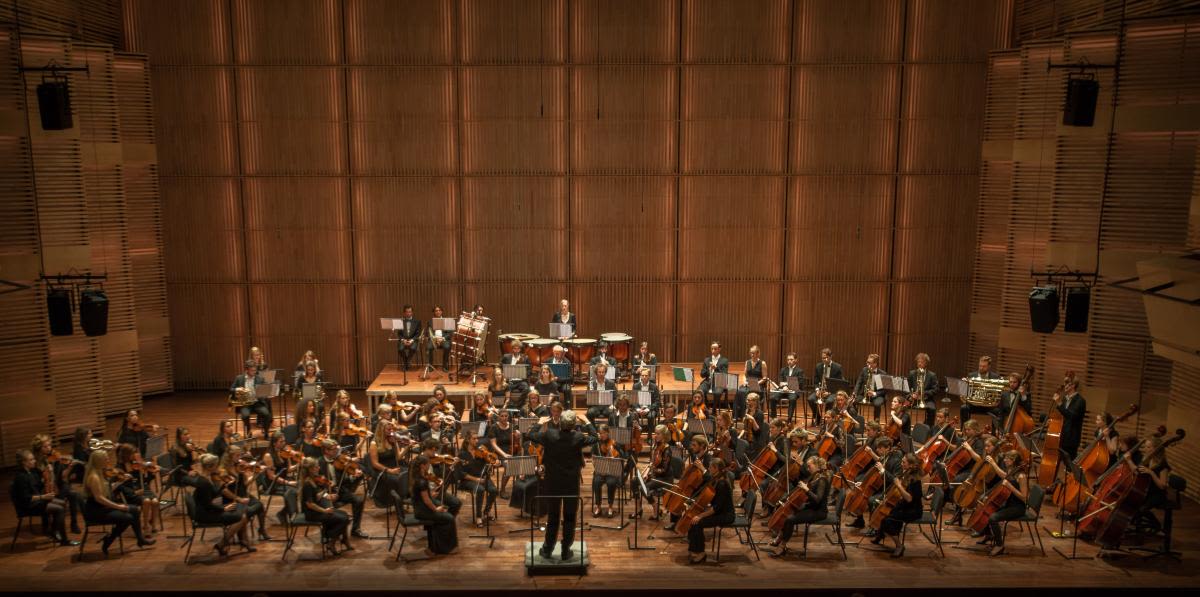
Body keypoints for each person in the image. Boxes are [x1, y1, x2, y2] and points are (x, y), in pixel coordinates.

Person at [526, 410, 597, 561]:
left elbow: (531, 435)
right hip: (571, 484)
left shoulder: (549, 434)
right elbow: (595, 437)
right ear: (574, 424)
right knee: (570, 518)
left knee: (553, 517)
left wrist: (539, 423)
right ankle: (565, 550)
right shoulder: (578, 437)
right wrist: (587, 421)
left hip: (553, 483)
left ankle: (547, 550)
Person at [81, 449, 154, 555]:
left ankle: (140, 539)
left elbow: (107, 490)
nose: (108, 460)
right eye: (106, 459)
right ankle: (109, 540)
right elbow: (99, 498)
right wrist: (118, 507)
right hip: (96, 511)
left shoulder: (100, 473)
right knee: (128, 518)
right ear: (99, 461)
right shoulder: (94, 477)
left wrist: (119, 482)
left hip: (103, 507)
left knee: (135, 510)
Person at [11, 448, 78, 546]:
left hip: (37, 501)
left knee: (62, 503)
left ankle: (53, 531)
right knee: (59, 509)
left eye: (33, 459)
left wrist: (50, 473)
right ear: (24, 462)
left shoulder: (32, 472)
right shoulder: (20, 477)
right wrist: (43, 497)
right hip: (28, 505)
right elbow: (26, 498)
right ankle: (64, 540)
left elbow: (40, 484)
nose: (34, 461)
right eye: (31, 459)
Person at [768, 455, 830, 557]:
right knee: (789, 513)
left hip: (819, 511)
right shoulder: (814, 476)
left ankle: (782, 546)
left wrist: (807, 490)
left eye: (809, 466)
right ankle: (780, 538)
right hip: (811, 507)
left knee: (790, 519)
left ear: (817, 466)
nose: (808, 468)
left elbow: (818, 499)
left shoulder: (822, 480)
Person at [194, 453, 251, 556]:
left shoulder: (208, 478)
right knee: (242, 517)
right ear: (210, 467)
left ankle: (242, 541)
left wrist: (225, 486)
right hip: (205, 514)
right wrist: (224, 508)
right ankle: (222, 544)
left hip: (211, 509)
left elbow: (216, 492)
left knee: (243, 510)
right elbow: (208, 505)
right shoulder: (204, 483)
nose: (218, 467)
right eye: (216, 465)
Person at [976, 450, 1029, 557]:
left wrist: (1010, 487)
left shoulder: (1021, 476)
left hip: (1017, 507)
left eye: (1006, 459)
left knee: (993, 518)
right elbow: (1003, 475)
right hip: (1009, 504)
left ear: (1013, 460)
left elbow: (1024, 498)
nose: (1004, 460)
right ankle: (989, 535)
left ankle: (999, 545)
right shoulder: (1012, 470)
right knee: (986, 509)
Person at [872, 452, 923, 557]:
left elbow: (909, 499)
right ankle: (880, 536)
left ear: (911, 465)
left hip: (913, 511)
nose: (901, 463)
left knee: (887, 520)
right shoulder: (907, 473)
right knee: (885, 513)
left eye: (904, 462)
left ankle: (899, 546)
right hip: (904, 506)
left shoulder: (915, 481)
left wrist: (899, 486)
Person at [298, 456, 352, 556]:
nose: (319, 468)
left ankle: (339, 539)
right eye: (316, 467)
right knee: (344, 519)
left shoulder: (313, 480)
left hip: (317, 510)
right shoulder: (307, 484)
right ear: (310, 469)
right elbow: (310, 504)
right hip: (312, 513)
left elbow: (318, 495)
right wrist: (325, 511)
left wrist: (328, 495)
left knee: (345, 515)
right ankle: (331, 541)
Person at [685, 457, 734, 564]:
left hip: (726, 515)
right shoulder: (716, 480)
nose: (708, 469)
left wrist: (701, 515)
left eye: (710, 467)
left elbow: (716, 508)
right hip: (719, 512)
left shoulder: (722, 484)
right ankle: (694, 549)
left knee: (697, 522)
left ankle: (701, 553)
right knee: (694, 519)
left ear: (715, 468)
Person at [409, 455, 459, 556]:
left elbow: (424, 496)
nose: (429, 465)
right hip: (423, 511)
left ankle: (437, 546)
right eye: (428, 464)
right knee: (449, 518)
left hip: (420, 507)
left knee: (444, 511)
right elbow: (427, 501)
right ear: (423, 466)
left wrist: (431, 495)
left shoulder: (417, 477)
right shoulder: (422, 481)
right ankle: (446, 548)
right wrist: (436, 509)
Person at [218, 445, 269, 541]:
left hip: (243, 494)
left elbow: (245, 483)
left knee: (260, 505)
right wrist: (239, 499)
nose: (239, 458)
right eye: (237, 456)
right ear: (230, 456)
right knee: (247, 511)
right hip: (232, 498)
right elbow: (224, 490)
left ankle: (262, 529)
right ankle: (242, 536)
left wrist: (256, 474)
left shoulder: (239, 466)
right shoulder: (222, 470)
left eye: (240, 455)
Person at [457, 429, 499, 527]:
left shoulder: (481, 450)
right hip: (468, 480)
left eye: (477, 439)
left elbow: (490, 460)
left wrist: (495, 462)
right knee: (480, 490)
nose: (477, 441)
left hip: (482, 478)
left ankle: (486, 512)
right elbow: (461, 473)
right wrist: (476, 479)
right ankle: (478, 517)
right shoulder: (462, 454)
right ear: (468, 440)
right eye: (474, 439)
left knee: (494, 490)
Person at [230, 359, 271, 438]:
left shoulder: (259, 378)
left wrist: (267, 393)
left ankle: (266, 433)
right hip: (245, 404)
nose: (254, 372)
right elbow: (231, 389)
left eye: (255, 370)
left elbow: (265, 389)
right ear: (246, 370)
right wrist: (237, 389)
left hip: (257, 403)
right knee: (245, 415)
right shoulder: (239, 378)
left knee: (267, 414)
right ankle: (248, 431)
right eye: (252, 370)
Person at [960, 356, 1003, 425]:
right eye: (980, 366)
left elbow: (999, 394)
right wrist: (963, 385)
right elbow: (965, 392)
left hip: (989, 406)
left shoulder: (995, 377)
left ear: (989, 366)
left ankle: (994, 433)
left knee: (998, 411)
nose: (981, 368)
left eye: (984, 366)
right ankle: (964, 430)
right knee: (964, 408)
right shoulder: (971, 375)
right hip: (974, 405)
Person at [807, 348, 844, 424]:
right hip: (821, 390)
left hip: (832, 391)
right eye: (823, 358)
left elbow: (839, 384)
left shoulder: (838, 367)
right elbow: (816, 381)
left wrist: (829, 392)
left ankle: (827, 419)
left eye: (826, 358)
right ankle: (817, 417)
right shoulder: (818, 366)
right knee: (810, 399)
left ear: (831, 357)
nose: (825, 360)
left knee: (829, 401)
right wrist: (817, 390)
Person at [1054, 373, 1087, 459]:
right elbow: (1063, 416)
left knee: (1069, 466)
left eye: (1066, 383)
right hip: (1061, 436)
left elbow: (1071, 416)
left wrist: (1059, 404)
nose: (1064, 385)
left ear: (1073, 385)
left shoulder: (1080, 401)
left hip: (1071, 439)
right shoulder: (1065, 398)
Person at [733, 345, 766, 421]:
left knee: (746, 393)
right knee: (738, 392)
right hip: (748, 383)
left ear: (758, 354)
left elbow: (764, 378)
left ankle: (744, 415)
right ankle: (736, 415)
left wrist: (756, 383)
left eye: (753, 353)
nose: (752, 355)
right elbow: (745, 375)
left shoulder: (762, 363)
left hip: (758, 384)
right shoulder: (747, 362)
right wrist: (744, 381)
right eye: (751, 353)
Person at [906, 353, 938, 427]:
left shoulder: (932, 375)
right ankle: (905, 427)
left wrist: (923, 394)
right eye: (918, 362)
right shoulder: (912, 373)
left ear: (926, 363)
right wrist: (911, 395)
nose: (919, 364)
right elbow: (907, 388)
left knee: (932, 409)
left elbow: (935, 389)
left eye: (922, 362)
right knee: (901, 406)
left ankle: (927, 428)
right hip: (913, 398)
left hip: (926, 399)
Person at [852, 354, 886, 423]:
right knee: (853, 401)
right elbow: (859, 382)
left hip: (877, 395)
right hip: (864, 394)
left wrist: (874, 393)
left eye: (869, 362)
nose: (867, 364)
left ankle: (875, 424)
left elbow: (883, 390)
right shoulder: (864, 370)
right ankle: (855, 421)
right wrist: (854, 393)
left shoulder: (882, 373)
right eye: (867, 362)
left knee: (877, 404)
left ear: (875, 364)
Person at [698, 341, 730, 410]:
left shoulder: (724, 360)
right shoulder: (706, 360)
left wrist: (716, 368)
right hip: (708, 381)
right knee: (700, 391)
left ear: (719, 349)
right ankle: (705, 408)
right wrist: (709, 369)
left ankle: (714, 410)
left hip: (719, 382)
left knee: (717, 393)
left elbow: (724, 374)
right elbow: (702, 374)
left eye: (715, 349)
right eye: (712, 349)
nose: (713, 350)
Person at [396, 304, 422, 372]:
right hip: (403, 340)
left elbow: (418, 333)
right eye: (407, 312)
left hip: (413, 340)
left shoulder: (417, 321)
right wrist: (403, 340)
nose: (408, 313)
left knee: (413, 348)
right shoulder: (400, 321)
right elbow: (399, 334)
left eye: (410, 311)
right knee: (400, 349)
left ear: (412, 312)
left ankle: (407, 362)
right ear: (404, 313)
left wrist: (412, 340)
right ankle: (406, 362)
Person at [426, 306, 451, 371]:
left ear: (441, 311)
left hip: (443, 339)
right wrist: (434, 338)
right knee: (428, 347)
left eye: (439, 310)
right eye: (436, 311)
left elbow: (449, 333)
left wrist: (442, 338)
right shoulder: (430, 321)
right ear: (434, 312)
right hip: (434, 340)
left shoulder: (446, 321)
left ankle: (445, 365)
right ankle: (430, 366)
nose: (438, 312)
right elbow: (428, 332)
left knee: (447, 347)